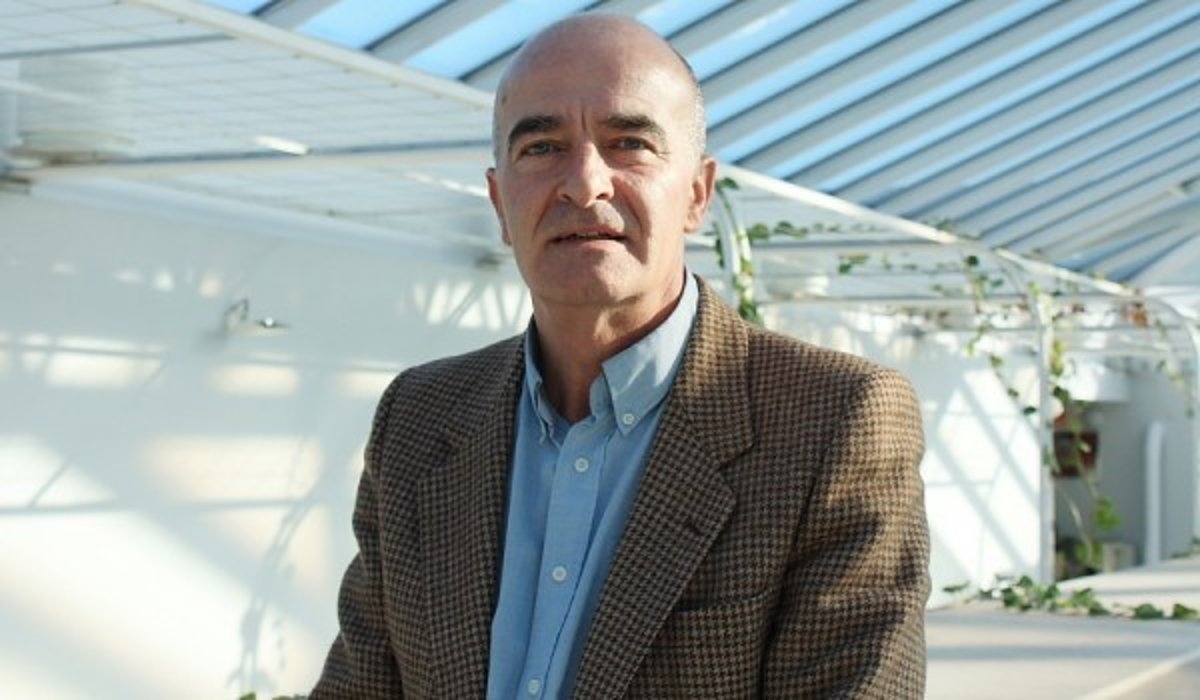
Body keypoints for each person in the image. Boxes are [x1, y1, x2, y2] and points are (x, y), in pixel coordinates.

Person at [312, 13, 928, 699]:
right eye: (541, 147)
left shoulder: (831, 420)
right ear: (499, 201)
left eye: (629, 143)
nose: (584, 184)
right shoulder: (420, 417)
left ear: (696, 193)